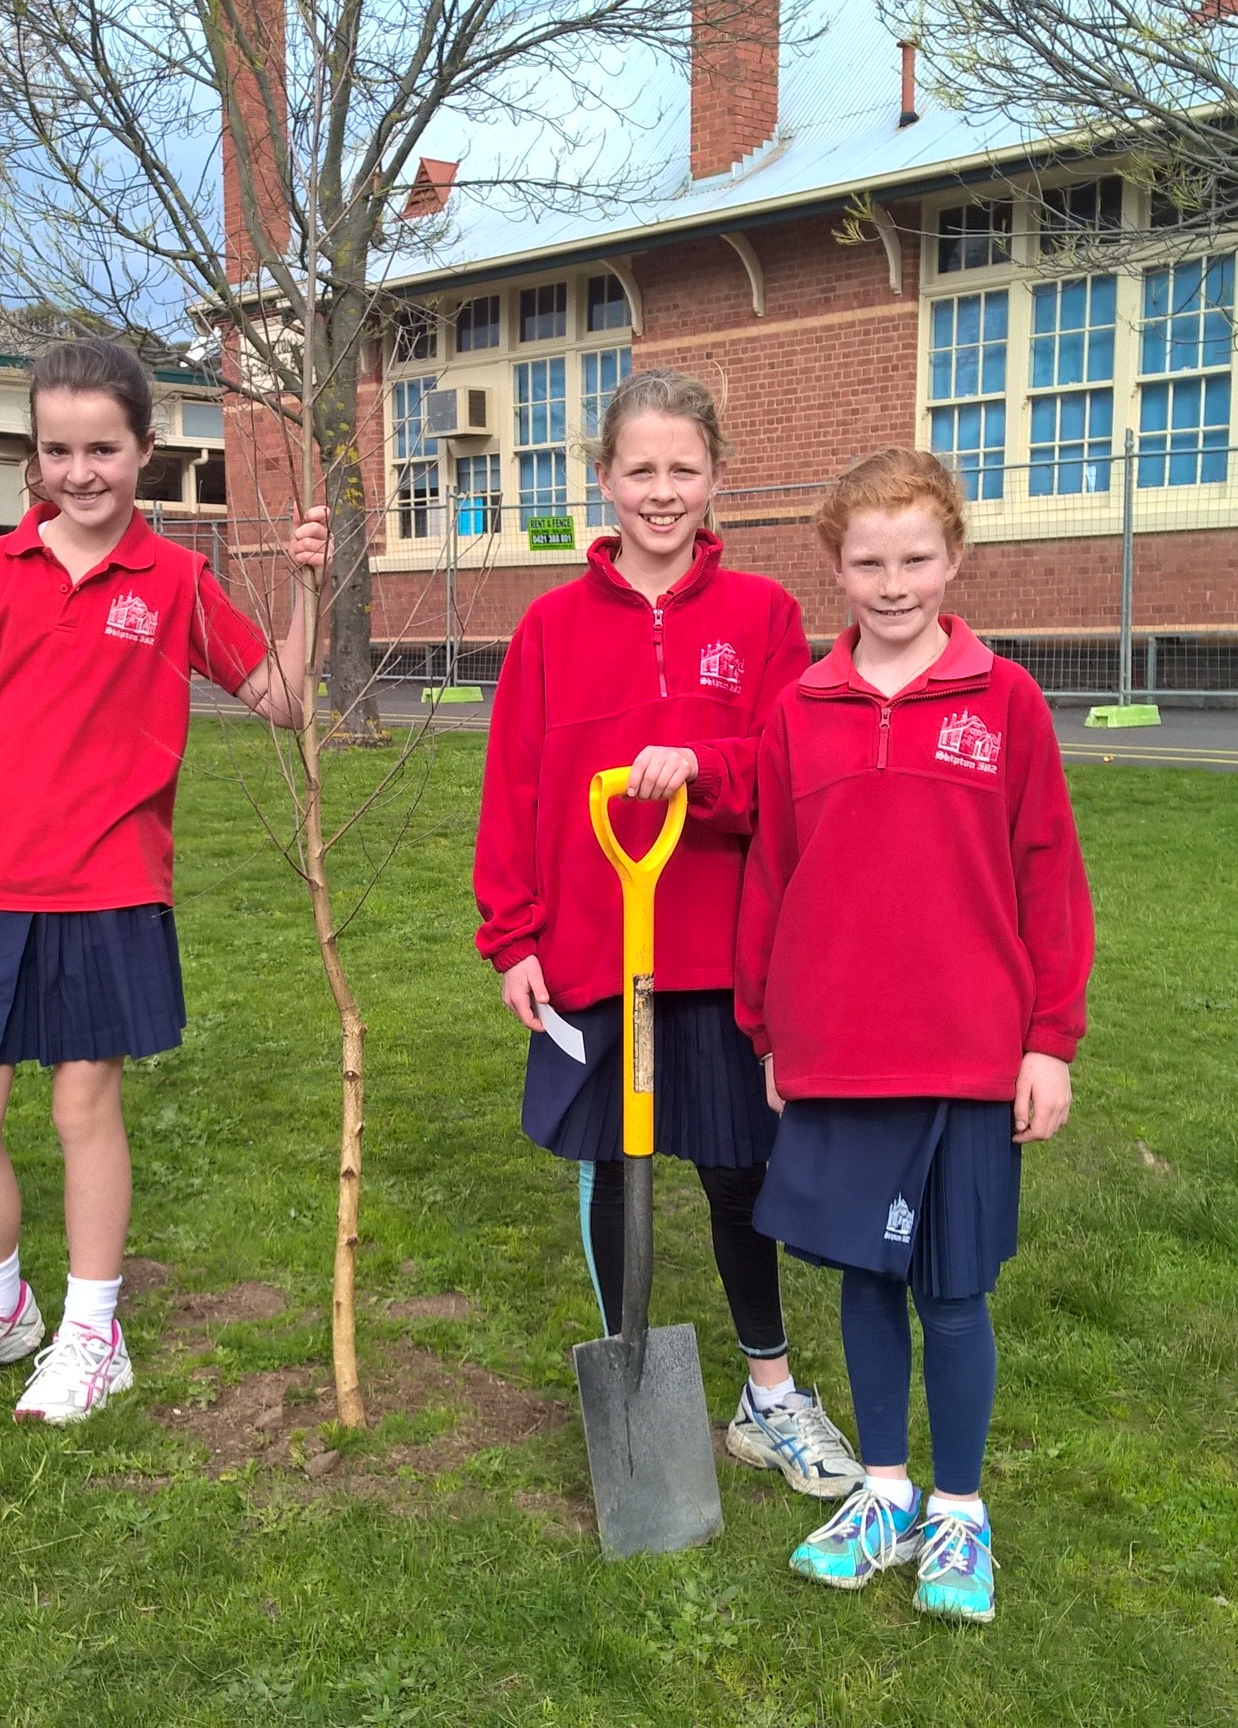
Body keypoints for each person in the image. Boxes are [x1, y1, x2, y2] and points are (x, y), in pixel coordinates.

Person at [0, 337, 326, 1425]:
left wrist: (310, 591)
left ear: (143, 451)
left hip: (112, 889)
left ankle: (93, 1330)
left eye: (103, 449)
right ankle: (0, 1312)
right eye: (58, 450)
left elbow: (277, 696)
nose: (80, 471)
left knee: (85, 1106)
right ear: (35, 457)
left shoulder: (173, 579)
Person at [475, 368, 861, 1501]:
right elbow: (513, 794)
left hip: (713, 951)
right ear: (601, 479)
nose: (660, 491)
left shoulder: (764, 620)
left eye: (682, 469)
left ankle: (768, 1393)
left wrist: (705, 766)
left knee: (737, 1171)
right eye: (638, 469)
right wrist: (514, 939)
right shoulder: (549, 630)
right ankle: (633, 1369)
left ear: (716, 478)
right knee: (609, 1166)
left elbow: (789, 777)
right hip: (596, 957)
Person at [735, 446, 1094, 1623]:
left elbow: (1048, 878)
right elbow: (772, 882)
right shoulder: (800, 708)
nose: (892, 584)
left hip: (970, 1056)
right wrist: (769, 1030)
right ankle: (881, 1491)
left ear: (954, 558)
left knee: (950, 1293)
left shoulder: (1006, 703)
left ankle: (957, 1514)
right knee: (865, 1279)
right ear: (833, 568)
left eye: (915, 558)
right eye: (866, 561)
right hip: (839, 1054)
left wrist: (1048, 1040)